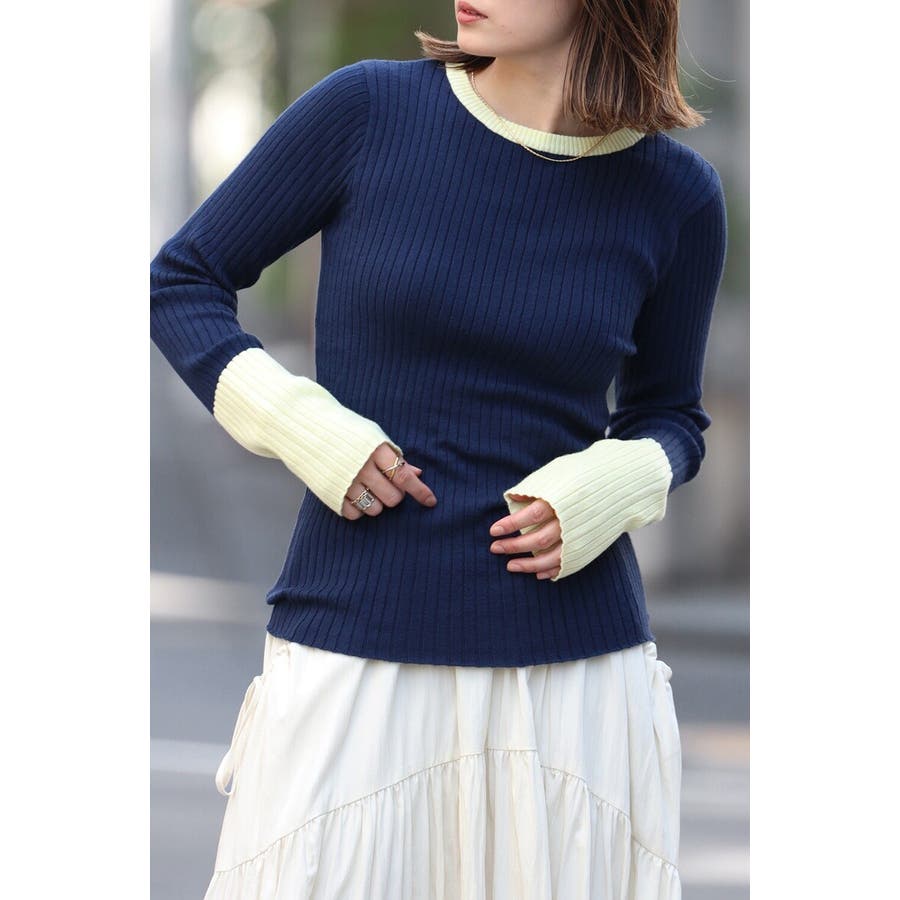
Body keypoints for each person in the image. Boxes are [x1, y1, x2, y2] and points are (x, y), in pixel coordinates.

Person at [150, 0, 727, 896]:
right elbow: (183, 280)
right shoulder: (366, 111)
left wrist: (613, 481)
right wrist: (304, 426)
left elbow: (671, 417)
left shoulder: (676, 193)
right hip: (357, 640)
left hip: (572, 677)